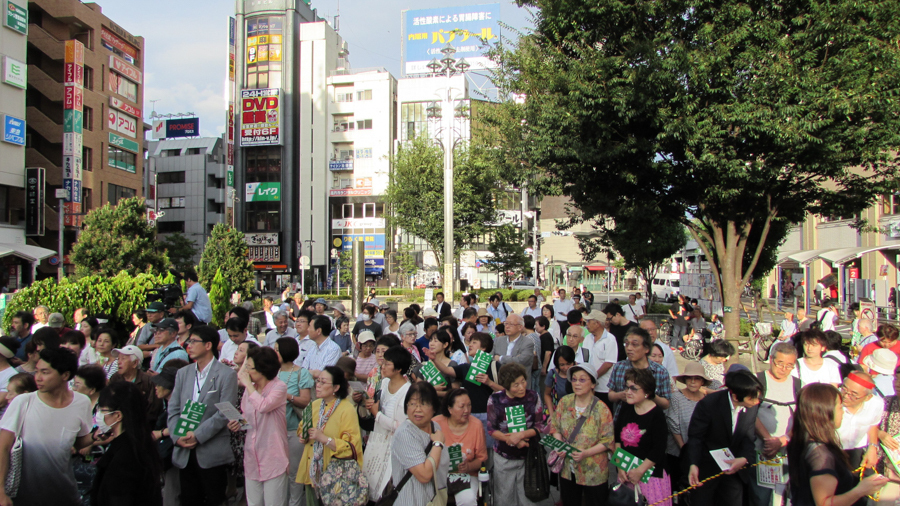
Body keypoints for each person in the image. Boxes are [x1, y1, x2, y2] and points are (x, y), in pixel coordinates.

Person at [0, 347, 93, 506]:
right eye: (37, 372)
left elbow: (79, 441)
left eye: (45, 372)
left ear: (65, 375)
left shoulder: (81, 402)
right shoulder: (23, 402)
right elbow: (3, 446)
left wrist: (98, 437)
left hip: (64, 494)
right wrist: (1, 490)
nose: (38, 378)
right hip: (24, 496)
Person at [167, 325, 238, 506]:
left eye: (193, 341)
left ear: (208, 345)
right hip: (184, 449)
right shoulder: (183, 373)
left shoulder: (226, 374)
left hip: (211, 451)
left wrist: (198, 435)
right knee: (189, 498)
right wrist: (177, 436)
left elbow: (225, 411)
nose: (188, 345)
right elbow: (174, 409)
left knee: (214, 498)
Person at [787, 383, 888, 506]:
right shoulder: (821, 454)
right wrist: (861, 490)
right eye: (840, 407)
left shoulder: (803, 440)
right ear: (826, 412)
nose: (843, 412)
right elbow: (824, 503)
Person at [687, 369, 763, 504]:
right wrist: (694, 464)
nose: (757, 402)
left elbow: (748, 436)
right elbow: (695, 437)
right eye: (752, 398)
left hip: (734, 469)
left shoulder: (751, 407)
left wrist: (744, 459)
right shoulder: (709, 404)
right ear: (735, 396)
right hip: (707, 467)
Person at [228, 346, 289, 506]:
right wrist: (238, 423)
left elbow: (263, 406)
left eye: (249, 367)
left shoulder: (279, 387)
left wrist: (247, 385)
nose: (246, 371)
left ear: (263, 369)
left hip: (273, 456)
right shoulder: (252, 389)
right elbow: (246, 416)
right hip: (252, 456)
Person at [296, 365, 363, 504]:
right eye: (317, 381)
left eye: (323, 382)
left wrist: (324, 439)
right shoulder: (314, 405)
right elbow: (302, 428)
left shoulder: (346, 409)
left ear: (336, 388)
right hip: (313, 471)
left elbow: (351, 446)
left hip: (335, 475)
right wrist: (303, 436)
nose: (318, 385)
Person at [90, 382, 163, 506]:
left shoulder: (125, 456)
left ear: (118, 415)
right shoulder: (139, 442)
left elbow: (118, 498)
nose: (99, 416)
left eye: (102, 411)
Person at [551, 365, 614, 506]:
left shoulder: (601, 409)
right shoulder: (564, 402)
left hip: (594, 470)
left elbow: (608, 440)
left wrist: (586, 453)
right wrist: (558, 445)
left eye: (582, 380)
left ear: (592, 384)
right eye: (574, 380)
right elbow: (555, 427)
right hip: (568, 468)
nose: (577, 383)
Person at [487, 363, 548, 506]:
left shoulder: (533, 396)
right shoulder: (495, 400)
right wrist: (510, 440)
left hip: (528, 456)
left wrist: (520, 435)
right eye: (515, 385)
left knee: (528, 498)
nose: (521, 387)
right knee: (504, 498)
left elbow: (539, 425)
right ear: (506, 386)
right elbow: (491, 429)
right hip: (504, 456)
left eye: (523, 382)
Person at [614, 368, 671, 506]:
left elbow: (659, 449)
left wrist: (639, 471)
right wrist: (620, 467)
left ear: (647, 392)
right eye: (627, 387)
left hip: (648, 475)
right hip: (626, 471)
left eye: (634, 389)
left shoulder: (656, 414)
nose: (628, 392)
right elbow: (617, 439)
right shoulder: (625, 407)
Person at [363, 346, 412, 501]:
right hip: (378, 443)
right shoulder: (383, 384)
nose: (382, 367)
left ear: (398, 368)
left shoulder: (406, 392)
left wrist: (377, 415)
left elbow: (401, 426)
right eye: (382, 363)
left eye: (387, 364)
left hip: (394, 450)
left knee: (388, 494)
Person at [390, 381, 449, 506]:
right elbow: (424, 475)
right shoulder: (405, 434)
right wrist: (437, 444)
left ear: (434, 408)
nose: (417, 409)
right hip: (410, 501)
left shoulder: (435, 427)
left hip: (433, 500)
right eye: (412, 404)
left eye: (423, 404)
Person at [273, 337, 312, 506]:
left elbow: (305, 401)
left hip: (293, 429)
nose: (274, 353)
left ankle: (295, 503)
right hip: (274, 430)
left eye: (276, 350)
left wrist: (288, 396)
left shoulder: (301, 373)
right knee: (277, 472)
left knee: (294, 471)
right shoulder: (272, 372)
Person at [434, 388, 488, 506]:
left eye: (469, 405)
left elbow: (482, 459)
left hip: (467, 475)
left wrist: (468, 466)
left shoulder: (476, 425)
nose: (467, 410)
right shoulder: (436, 423)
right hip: (440, 475)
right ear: (450, 409)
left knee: (467, 499)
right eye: (462, 406)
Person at [607, 328, 672, 420]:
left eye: (635, 344)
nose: (629, 348)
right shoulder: (619, 367)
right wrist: (620, 395)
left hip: (649, 422)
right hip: (622, 421)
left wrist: (649, 394)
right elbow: (610, 395)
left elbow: (666, 404)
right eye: (627, 344)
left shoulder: (660, 371)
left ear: (647, 348)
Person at [665, 362, 711, 493]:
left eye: (697, 378)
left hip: (700, 454)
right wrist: (685, 450)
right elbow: (673, 424)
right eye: (689, 378)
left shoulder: (707, 400)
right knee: (676, 488)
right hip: (677, 451)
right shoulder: (676, 397)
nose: (692, 382)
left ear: (702, 381)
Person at [836, 371, 883, 471]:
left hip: (857, 452)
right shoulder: (832, 402)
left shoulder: (876, 404)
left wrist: (872, 447)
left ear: (868, 397)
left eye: (853, 394)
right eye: (844, 389)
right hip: (832, 451)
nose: (845, 396)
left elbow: (873, 424)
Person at [109, 344, 162, 426]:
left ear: (135, 363)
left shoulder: (148, 381)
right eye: (118, 358)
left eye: (123, 359)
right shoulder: (115, 378)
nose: (119, 362)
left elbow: (153, 410)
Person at [584, 310, 617, 406]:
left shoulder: (610, 339)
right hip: (588, 386)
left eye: (589, 321)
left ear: (597, 323)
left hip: (604, 387)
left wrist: (593, 378)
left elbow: (608, 364)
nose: (587, 324)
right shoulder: (587, 338)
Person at [492, 314, 535, 382]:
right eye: (506, 324)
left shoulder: (527, 343)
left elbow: (520, 361)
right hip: (500, 382)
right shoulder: (498, 340)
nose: (507, 327)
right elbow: (491, 357)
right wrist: (513, 358)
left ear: (520, 327)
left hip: (519, 384)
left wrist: (500, 358)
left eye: (511, 324)